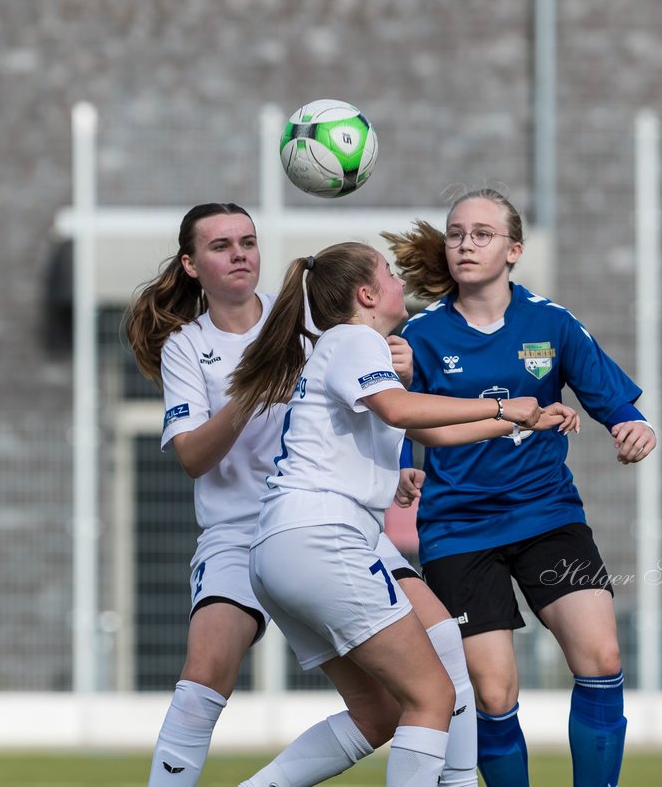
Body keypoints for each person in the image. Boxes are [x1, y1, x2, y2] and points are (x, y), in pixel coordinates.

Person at [125, 204, 492, 786]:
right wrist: (252, 390)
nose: (240, 252)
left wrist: (398, 408)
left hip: (325, 519)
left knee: (425, 660)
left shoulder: (300, 319)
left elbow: (362, 399)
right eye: (221, 246)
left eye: (248, 240)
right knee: (206, 674)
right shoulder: (186, 348)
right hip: (242, 531)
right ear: (192, 265)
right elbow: (193, 456)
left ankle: (459, 779)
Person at [227, 241, 579, 787]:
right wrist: (504, 405)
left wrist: (519, 422)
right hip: (323, 538)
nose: (399, 281)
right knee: (431, 695)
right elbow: (399, 409)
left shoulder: (348, 347)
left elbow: (429, 430)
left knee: (387, 709)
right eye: (388, 273)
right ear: (367, 294)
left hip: (289, 545)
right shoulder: (356, 340)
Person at [381, 188, 657, 787]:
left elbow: (611, 399)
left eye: (482, 233)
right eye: (456, 233)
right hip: (458, 529)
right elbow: (399, 410)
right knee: (493, 691)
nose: (465, 244)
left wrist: (632, 425)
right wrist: (404, 461)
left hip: (547, 517)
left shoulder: (551, 323)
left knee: (602, 658)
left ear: (514, 250)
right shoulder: (420, 336)